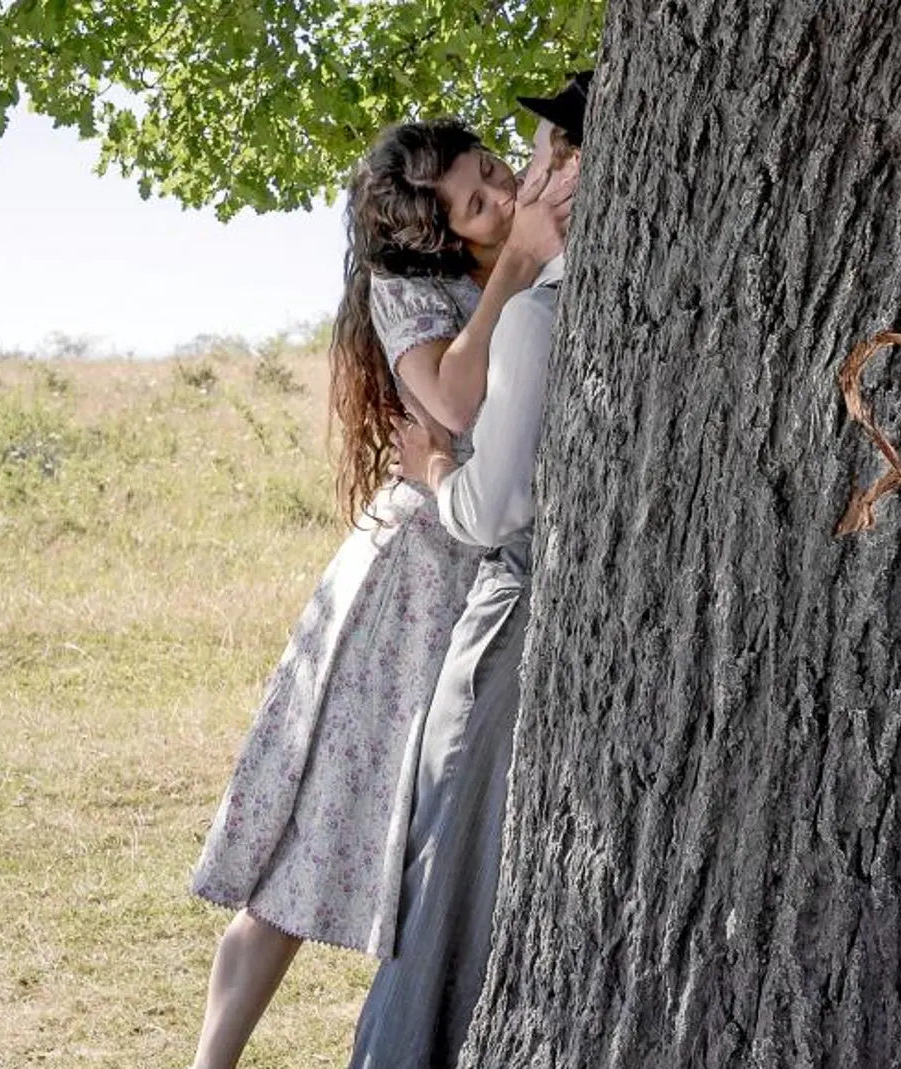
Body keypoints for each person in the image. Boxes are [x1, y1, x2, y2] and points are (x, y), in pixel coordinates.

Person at [187, 118, 573, 1069]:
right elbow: (448, 403)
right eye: (473, 204)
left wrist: (534, 176)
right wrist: (514, 270)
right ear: (440, 236)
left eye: (493, 174)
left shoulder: (511, 237)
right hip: (411, 581)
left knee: (444, 819)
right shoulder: (417, 288)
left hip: (481, 567)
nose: (497, 196)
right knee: (327, 820)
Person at [348, 71, 590, 1069]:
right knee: (452, 883)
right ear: (461, 244)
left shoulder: (547, 299)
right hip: (499, 611)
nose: (515, 188)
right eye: (482, 202)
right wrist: (441, 481)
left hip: (527, 610)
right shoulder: (514, 309)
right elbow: (490, 503)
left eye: (500, 169)